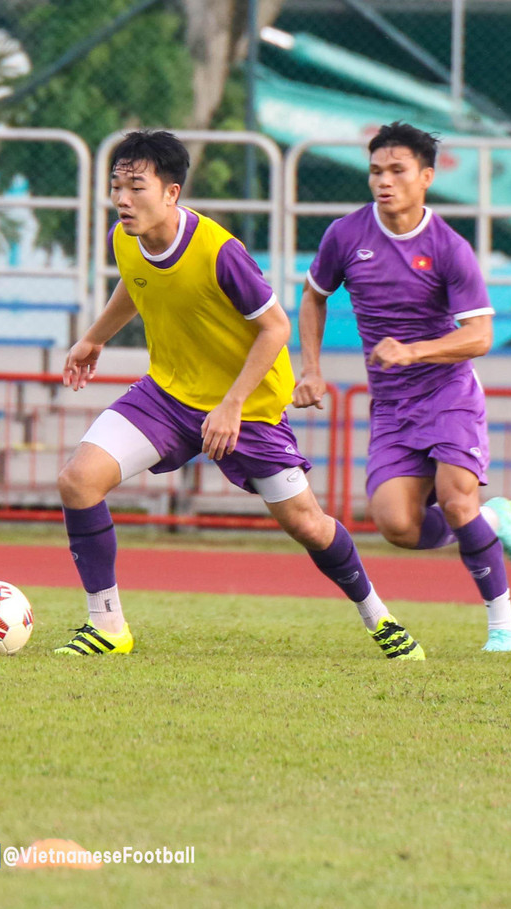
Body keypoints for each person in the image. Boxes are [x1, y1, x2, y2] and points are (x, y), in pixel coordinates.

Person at [53, 129, 424, 662]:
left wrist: (230, 405)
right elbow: (136, 285)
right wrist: (94, 338)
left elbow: (275, 327)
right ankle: (107, 626)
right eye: (116, 184)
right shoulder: (125, 238)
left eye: (136, 186)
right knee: (77, 481)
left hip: (248, 409)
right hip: (168, 395)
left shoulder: (220, 252)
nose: (122, 198)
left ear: (172, 192)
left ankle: (379, 618)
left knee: (308, 525)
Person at [293, 121, 511, 653]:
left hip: (449, 393)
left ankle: (502, 625)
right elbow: (313, 296)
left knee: (454, 500)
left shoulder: (449, 247)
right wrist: (311, 370)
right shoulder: (345, 235)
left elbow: (480, 335)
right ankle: (493, 519)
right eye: (376, 171)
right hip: (393, 407)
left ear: (425, 178)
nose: (384, 181)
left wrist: (413, 351)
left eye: (397, 171)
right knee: (397, 526)